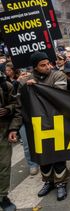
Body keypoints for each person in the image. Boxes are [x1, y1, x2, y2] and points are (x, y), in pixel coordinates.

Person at [23, 52, 69, 200]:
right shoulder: (28, 79)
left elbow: (58, 95)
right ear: (35, 67)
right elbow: (22, 100)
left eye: (48, 63)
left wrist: (37, 87)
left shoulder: (58, 75)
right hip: (38, 123)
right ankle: (48, 182)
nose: (47, 67)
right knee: (44, 153)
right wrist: (23, 85)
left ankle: (61, 183)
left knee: (58, 153)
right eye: (42, 65)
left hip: (56, 121)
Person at [0, 69, 22, 210]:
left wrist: (13, 128)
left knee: (3, 166)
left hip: (2, 132)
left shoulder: (5, 85)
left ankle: (2, 196)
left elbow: (18, 107)